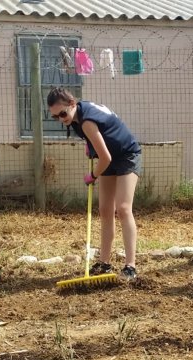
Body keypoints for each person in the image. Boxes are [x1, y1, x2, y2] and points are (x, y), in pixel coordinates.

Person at [46, 87, 141, 281]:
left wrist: (93, 175)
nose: (61, 119)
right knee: (105, 210)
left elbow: (104, 157)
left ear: (72, 104)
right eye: (55, 117)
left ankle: (130, 266)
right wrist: (90, 146)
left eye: (63, 113)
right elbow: (102, 135)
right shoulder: (76, 116)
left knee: (123, 208)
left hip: (126, 155)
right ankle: (104, 262)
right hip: (108, 156)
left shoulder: (87, 121)